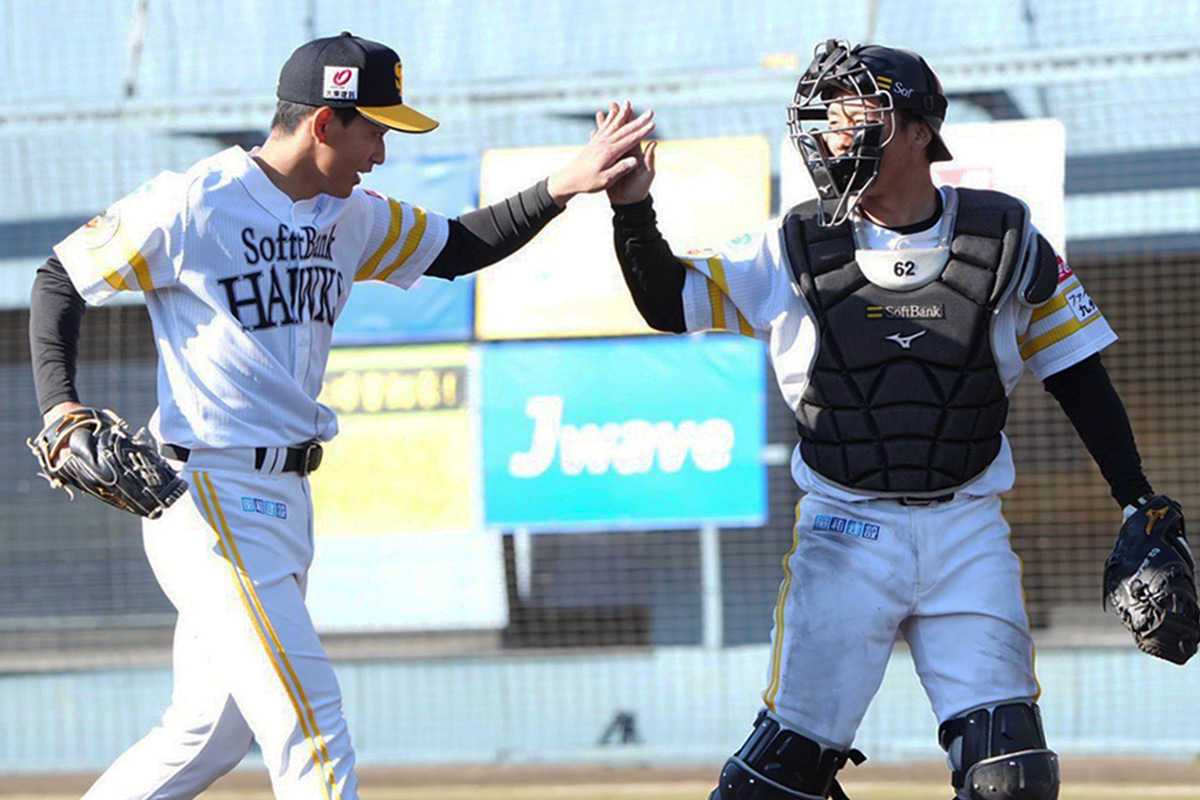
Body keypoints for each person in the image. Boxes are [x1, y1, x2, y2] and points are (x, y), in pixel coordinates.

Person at [28, 31, 652, 800]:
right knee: (313, 730)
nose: (382, 153)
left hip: (285, 501)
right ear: (325, 123)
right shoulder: (194, 201)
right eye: (375, 129)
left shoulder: (348, 214)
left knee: (206, 736)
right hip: (205, 494)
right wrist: (62, 409)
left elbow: (455, 247)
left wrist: (561, 184)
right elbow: (60, 276)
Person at [607, 39, 1174, 800]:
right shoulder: (788, 246)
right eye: (825, 118)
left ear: (917, 130)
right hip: (846, 530)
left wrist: (1136, 496)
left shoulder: (1006, 242)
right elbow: (662, 300)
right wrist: (631, 207)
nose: (833, 134)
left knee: (1013, 778)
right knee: (774, 787)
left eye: (855, 114)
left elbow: (1077, 374)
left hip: (966, 528)